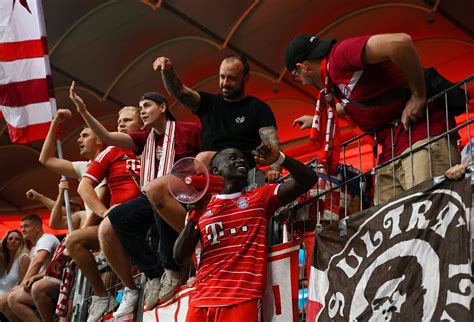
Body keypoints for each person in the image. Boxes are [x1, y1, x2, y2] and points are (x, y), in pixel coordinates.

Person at [285, 33, 460, 204]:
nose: (304, 82)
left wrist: (418, 95)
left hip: (421, 134)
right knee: (387, 223)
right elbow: (356, 100)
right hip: (392, 147)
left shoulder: (339, 55)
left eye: (297, 77)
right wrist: (316, 118)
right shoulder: (333, 77)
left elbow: (400, 42)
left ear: (303, 67)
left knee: (430, 211)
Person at [72, 86, 201, 316]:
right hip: (153, 196)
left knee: (155, 193)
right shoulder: (144, 139)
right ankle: (154, 273)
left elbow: (206, 156)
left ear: (163, 108)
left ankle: (177, 265)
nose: (143, 111)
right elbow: (106, 137)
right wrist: (83, 111)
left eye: (147, 106)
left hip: (184, 194)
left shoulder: (188, 130)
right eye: (140, 107)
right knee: (117, 216)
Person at [173, 145, 318, 322]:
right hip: (201, 300)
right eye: (232, 158)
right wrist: (194, 216)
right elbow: (179, 257)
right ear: (216, 170)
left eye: (242, 158)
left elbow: (309, 179)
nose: (241, 160)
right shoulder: (201, 207)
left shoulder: (260, 198)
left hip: (241, 298)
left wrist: (280, 159)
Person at [66, 84, 144, 322]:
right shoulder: (111, 150)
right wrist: (104, 211)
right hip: (117, 220)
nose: (120, 124)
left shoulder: (153, 145)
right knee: (74, 240)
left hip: (148, 215)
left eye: (127, 120)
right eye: (119, 121)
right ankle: (102, 296)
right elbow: (83, 186)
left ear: (142, 125)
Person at [39, 107, 109, 223]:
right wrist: (55, 123)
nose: (78, 140)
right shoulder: (83, 167)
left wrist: (85, 228)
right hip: (95, 228)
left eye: (85, 136)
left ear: (99, 141)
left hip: (108, 224)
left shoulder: (111, 161)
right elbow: (46, 159)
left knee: (73, 240)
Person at [3, 214, 60, 322]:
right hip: (44, 282)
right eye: (21, 227)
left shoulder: (47, 238)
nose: (22, 230)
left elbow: (38, 261)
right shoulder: (34, 248)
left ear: (37, 227)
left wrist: (22, 285)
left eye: (26, 226)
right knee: (8, 300)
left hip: (57, 282)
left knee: (11, 299)